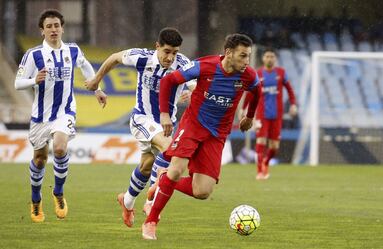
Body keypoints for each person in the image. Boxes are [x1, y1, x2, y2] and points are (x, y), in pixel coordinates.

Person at [141, 33, 260, 240]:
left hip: (217, 135)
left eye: (248, 56)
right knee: (177, 170)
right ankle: (151, 220)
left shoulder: (248, 75)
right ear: (228, 53)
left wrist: (249, 116)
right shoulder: (205, 66)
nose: (246, 61)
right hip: (193, 125)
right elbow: (170, 80)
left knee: (202, 192)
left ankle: (163, 179)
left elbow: (257, 91)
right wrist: (164, 114)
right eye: (242, 56)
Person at [85, 27, 195, 228]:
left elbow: (197, 86)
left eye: (175, 52)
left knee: (146, 166)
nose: (170, 57)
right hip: (142, 119)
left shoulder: (184, 64)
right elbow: (115, 58)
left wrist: (193, 93)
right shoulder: (142, 57)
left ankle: (126, 201)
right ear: (157, 47)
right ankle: (151, 202)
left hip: (166, 123)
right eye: (167, 51)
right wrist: (96, 79)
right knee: (170, 148)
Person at [14, 9, 107, 223]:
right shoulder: (33, 55)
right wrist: (33, 80)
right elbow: (18, 83)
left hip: (65, 111)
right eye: (49, 26)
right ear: (42, 31)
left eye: (56, 25)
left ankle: (58, 192)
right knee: (39, 159)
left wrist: (97, 89)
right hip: (40, 116)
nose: (53, 29)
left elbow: (85, 67)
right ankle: (36, 199)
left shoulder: (72, 50)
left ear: (62, 28)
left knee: (59, 148)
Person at [245, 49, 297, 180]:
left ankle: (265, 163)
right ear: (263, 58)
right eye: (267, 56)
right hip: (262, 114)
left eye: (272, 56)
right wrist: (243, 108)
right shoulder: (258, 73)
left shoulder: (281, 73)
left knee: (274, 146)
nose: (269, 59)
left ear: (275, 59)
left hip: (277, 114)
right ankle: (259, 171)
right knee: (261, 140)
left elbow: (289, 89)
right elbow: (251, 92)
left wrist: (293, 104)